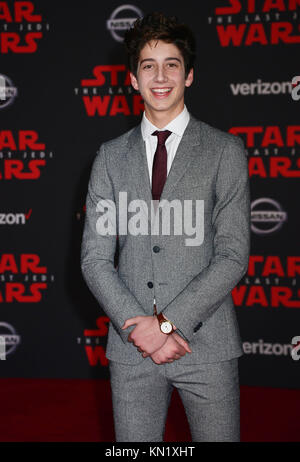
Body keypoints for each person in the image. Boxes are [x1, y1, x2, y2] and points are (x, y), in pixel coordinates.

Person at [81, 12, 250, 442]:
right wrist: (142, 330)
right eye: (148, 65)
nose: (160, 76)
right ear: (133, 79)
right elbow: (95, 260)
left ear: (189, 75)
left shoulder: (224, 152)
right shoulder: (109, 157)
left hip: (207, 347)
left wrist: (169, 325)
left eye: (171, 64)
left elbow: (233, 254)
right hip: (131, 349)